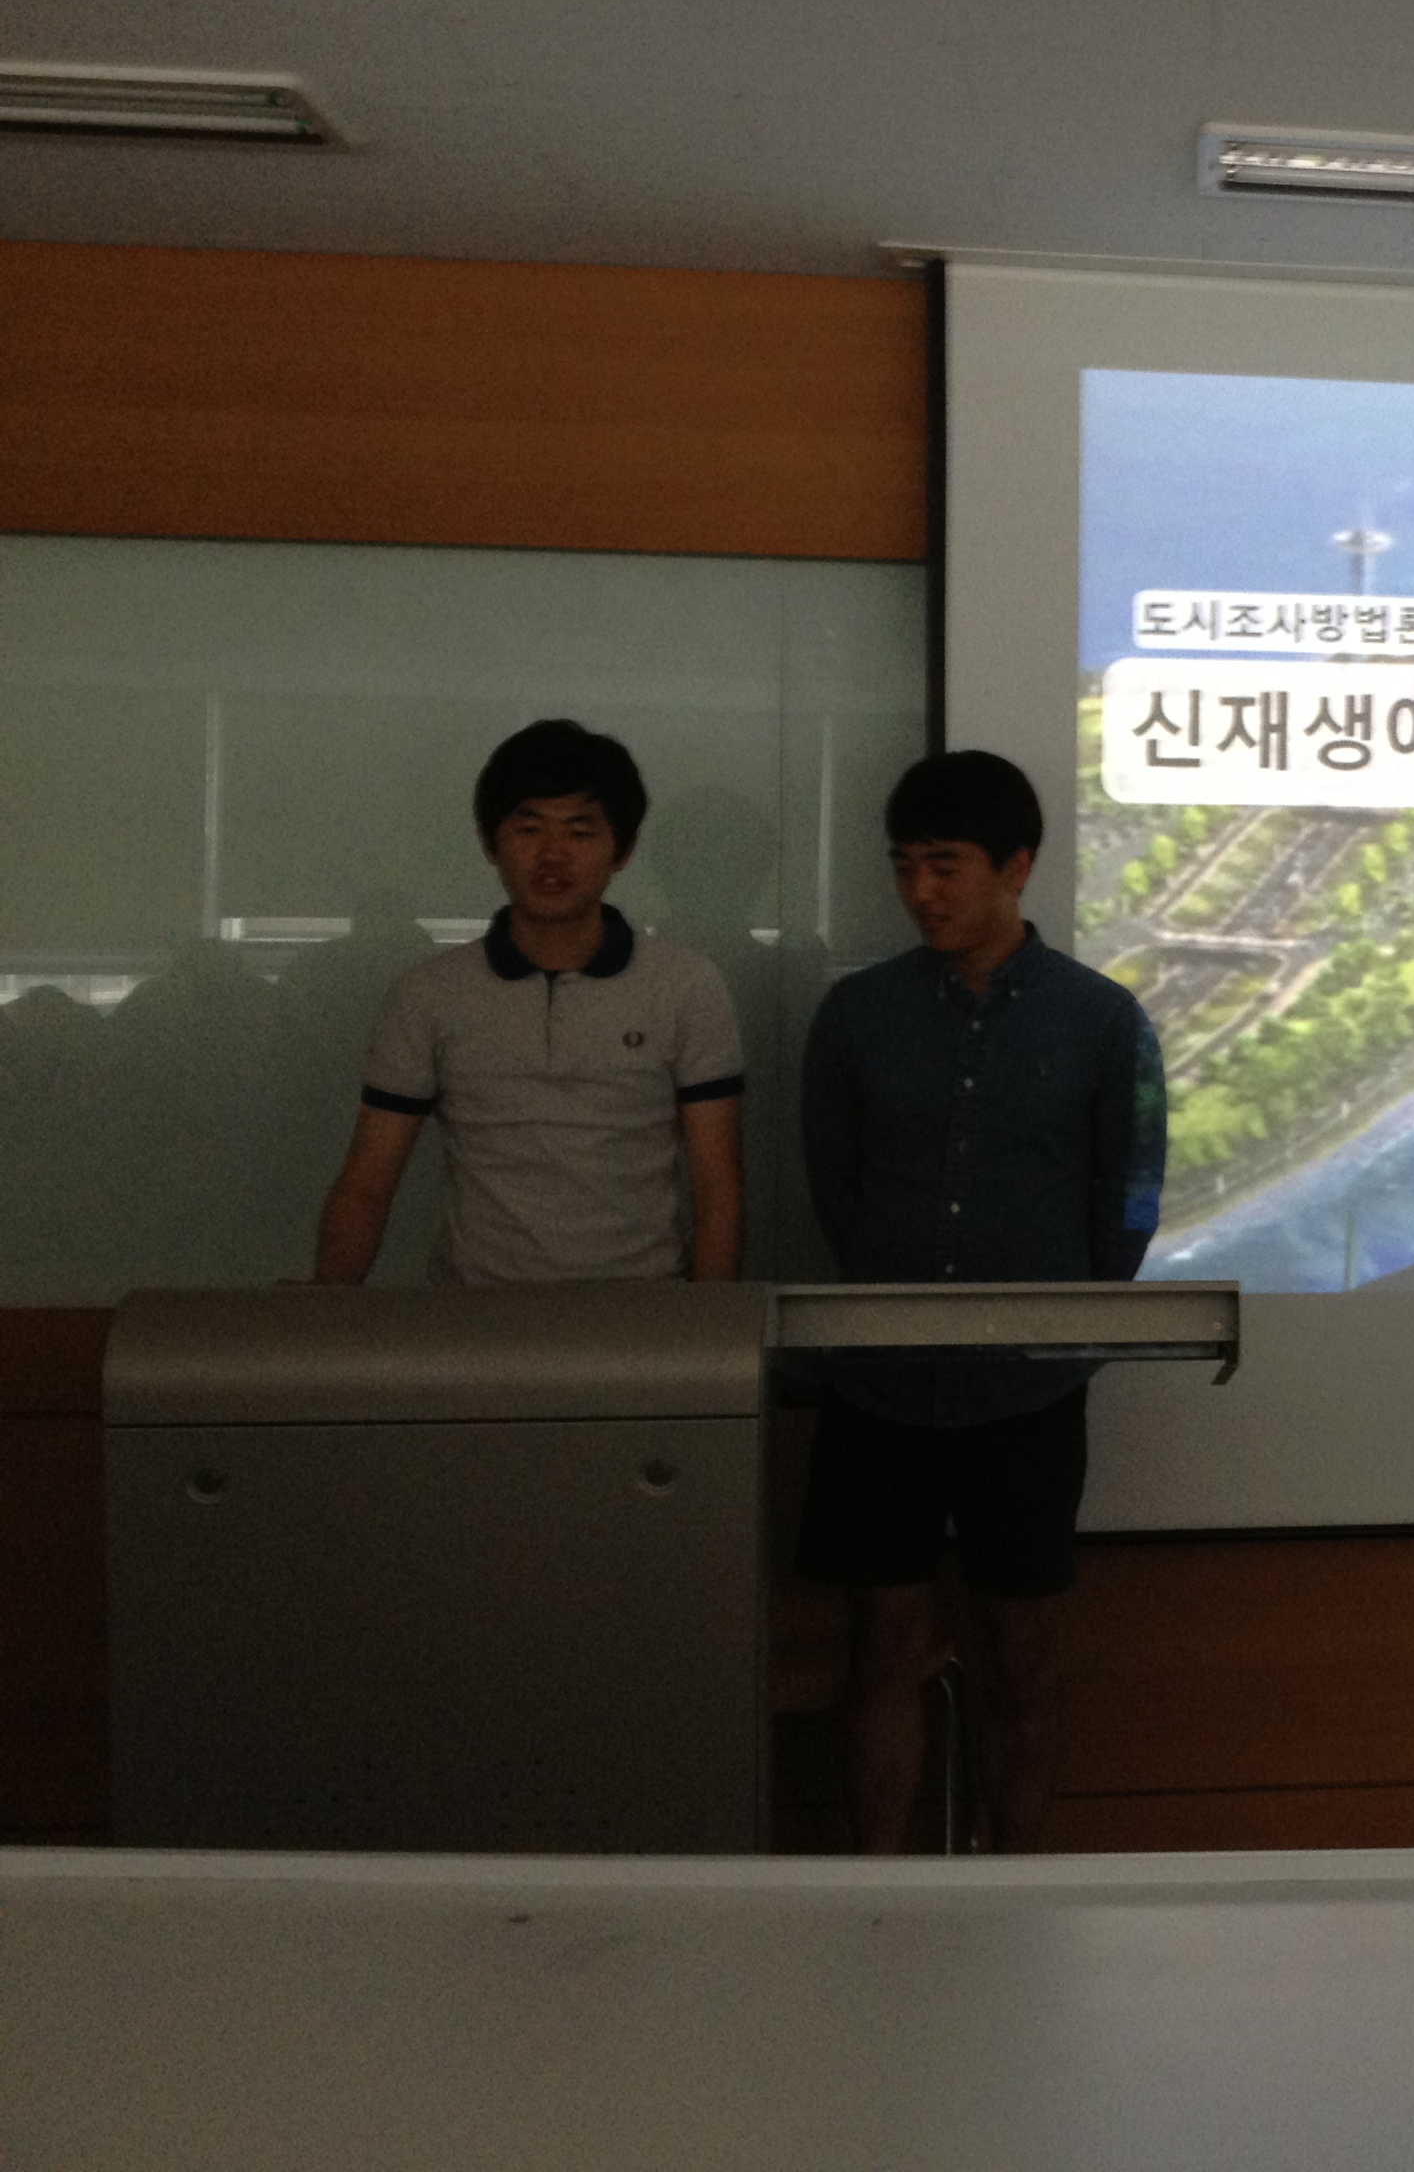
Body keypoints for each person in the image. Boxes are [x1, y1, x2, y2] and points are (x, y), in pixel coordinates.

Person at [795, 750, 1165, 1853]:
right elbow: (836, 1190)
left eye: (946, 865)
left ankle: (1014, 1887)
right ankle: (879, 1892)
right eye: (904, 866)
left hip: (1028, 1392)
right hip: (878, 1386)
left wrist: (1069, 1332)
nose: (922, 892)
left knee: (1023, 1652)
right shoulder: (856, 1015)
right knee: (881, 1642)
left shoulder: (1102, 1020)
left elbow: (1129, 1198)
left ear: (1017, 866)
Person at [314, 720, 745, 1285]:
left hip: (642, 1311)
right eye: (529, 828)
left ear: (624, 850)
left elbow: (718, 1189)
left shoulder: (685, 985)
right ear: (489, 842)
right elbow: (367, 1186)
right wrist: (322, 1311)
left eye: (580, 831)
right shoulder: (429, 994)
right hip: (475, 1313)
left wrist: (708, 1328)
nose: (553, 854)